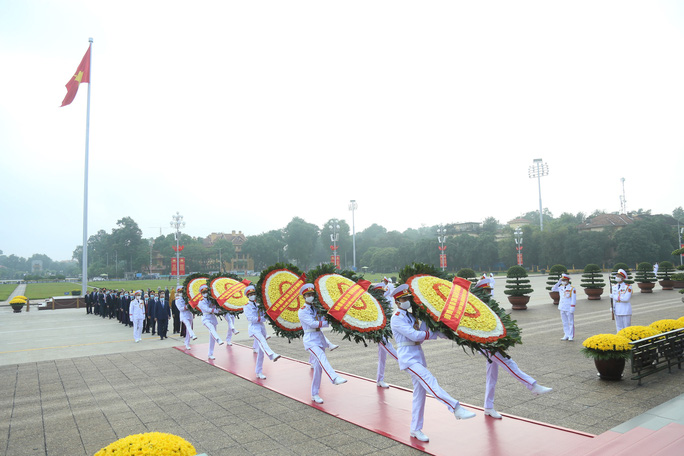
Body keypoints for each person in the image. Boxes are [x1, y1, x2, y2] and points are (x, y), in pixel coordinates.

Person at [390, 284, 475, 442]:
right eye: (404, 299)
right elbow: (415, 335)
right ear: (397, 301)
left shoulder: (411, 316)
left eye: (408, 298)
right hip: (408, 358)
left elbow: (427, 329)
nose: (407, 301)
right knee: (430, 380)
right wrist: (430, 334)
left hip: (418, 356)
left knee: (419, 394)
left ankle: (415, 429)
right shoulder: (396, 318)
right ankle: (455, 408)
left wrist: (449, 334)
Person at [297, 283, 346, 404]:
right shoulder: (302, 311)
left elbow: (323, 319)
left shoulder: (317, 308)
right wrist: (326, 323)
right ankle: (334, 377)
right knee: (321, 357)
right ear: (304, 297)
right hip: (310, 340)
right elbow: (313, 324)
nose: (310, 296)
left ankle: (314, 394)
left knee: (318, 369)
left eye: (312, 294)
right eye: (308, 295)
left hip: (319, 338)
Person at [243, 285, 281, 379]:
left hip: (261, 327)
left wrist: (266, 316)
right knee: (262, 341)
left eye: (253, 294)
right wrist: (262, 318)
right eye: (250, 294)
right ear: (247, 296)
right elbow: (251, 318)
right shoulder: (246, 306)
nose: (252, 295)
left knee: (261, 352)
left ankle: (258, 372)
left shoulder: (259, 304)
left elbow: (264, 315)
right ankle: (272, 355)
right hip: (254, 328)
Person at [373, 282, 398, 389]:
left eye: (383, 292)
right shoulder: (373, 303)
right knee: (389, 347)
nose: (382, 294)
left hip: (385, 331)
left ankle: (380, 379)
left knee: (382, 357)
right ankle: (402, 361)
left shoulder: (386, 301)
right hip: (378, 332)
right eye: (380, 292)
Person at [198, 284, 224, 360]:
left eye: (206, 291)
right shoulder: (201, 302)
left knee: (211, 337)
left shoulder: (212, 300)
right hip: (206, 318)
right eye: (204, 292)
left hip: (212, 318)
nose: (205, 293)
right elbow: (207, 309)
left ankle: (210, 353)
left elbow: (215, 306)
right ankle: (218, 339)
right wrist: (215, 310)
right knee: (211, 328)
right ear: (201, 293)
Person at [552, 273, 577, 341]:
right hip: (562, 307)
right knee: (564, 322)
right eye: (562, 280)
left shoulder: (572, 288)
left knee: (570, 322)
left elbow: (573, 299)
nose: (563, 281)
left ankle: (571, 335)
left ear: (568, 280)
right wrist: (558, 282)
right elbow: (553, 289)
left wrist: (572, 307)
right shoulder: (560, 288)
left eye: (564, 280)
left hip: (569, 307)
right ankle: (566, 334)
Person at [174, 285, 197, 350]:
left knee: (188, 330)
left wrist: (193, 311)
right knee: (188, 325)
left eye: (182, 291)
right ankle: (193, 335)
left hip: (189, 314)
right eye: (180, 291)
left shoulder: (187, 298)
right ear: (177, 292)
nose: (181, 292)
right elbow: (180, 308)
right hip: (183, 315)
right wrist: (187, 307)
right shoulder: (177, 299)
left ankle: (187, 343)